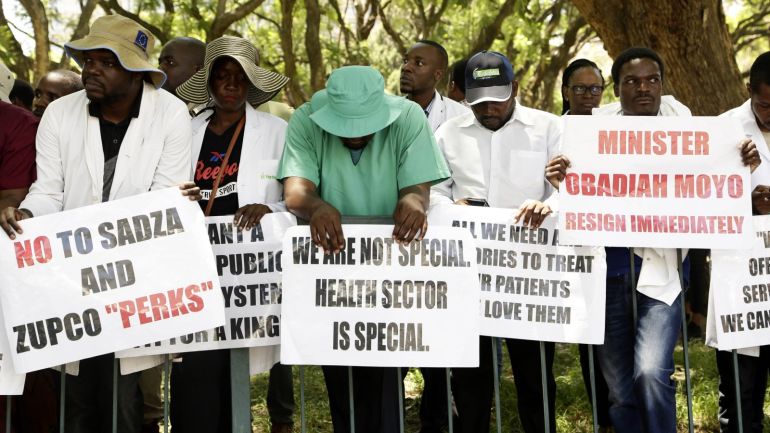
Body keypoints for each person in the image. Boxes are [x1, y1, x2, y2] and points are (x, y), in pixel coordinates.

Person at [0, 15, 196, 433]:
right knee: (76, 397)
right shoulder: (59, 114)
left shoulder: (172, 115)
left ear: (135, 71)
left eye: (106, 61)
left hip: (136, 274)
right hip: (69, 273)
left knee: (124, 400)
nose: (91, 69)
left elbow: (165, 196)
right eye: (88, 60)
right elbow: (49, 190)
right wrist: (28, 216)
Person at [547, 47, 759, 433]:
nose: (643, 88)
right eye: (631, 81)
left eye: (651, 80)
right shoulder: (591, 131)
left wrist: (740, 161)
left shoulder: (689, 128)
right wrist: (559, 179)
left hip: (662, 273)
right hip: (607, 273)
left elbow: (713, 182)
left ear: (662, 83)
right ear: (617, 88)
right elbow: (568, 194)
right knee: (619, 388)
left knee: (649, 371)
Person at [277, 65, 449, 433]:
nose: (354, 135)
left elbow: (417, 189)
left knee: (387, 371)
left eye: (364, 126)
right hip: (332, 263)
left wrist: (414, 202)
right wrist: (316, 206)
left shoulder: (408, 119)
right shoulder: (307, 118)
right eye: (344, 127)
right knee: (339, 370)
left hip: (393, 263)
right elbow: (297, 190)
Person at [430, 50, 560, 433]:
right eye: (478, 100)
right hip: (472, 274)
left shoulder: (549, 128)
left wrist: (548, 205)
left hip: (531, 276)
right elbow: (432, 194)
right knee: (471, 381)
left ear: (515, 88)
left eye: (497, 98)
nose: (488, 108)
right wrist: (453, 205)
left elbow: (572, 190)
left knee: (534, 378)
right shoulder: (447, 134)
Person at [171, 35, 291, 433]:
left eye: (240, 77)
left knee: (235, 366)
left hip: (247, 269)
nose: (230, 84)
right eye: (222, 76)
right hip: (194, 264)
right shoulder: (184, 130)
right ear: (210, 83)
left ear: (251, 84)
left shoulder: (276, 130)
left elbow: (294, 199)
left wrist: (268, 209)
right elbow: (158, 186)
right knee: (194, 368)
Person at [399, 39, 470, 433]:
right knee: (397, 334)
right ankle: (391, 414)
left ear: (439, 74)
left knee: (440, 337)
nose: (408, 67)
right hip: (398, 238)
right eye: (407, 61)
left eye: (419, 62)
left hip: (444, 245)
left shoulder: (460, 117)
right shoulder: (385, 114)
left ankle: (438, 418)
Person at [709, 51, 770, 433]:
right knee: (741, 382)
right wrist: (748, 202)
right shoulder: (725, 128)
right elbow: (704, 200)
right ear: (749, 91)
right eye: (765, 104)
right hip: (743, 274)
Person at [559, 58, 613, 432]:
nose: (589, 96)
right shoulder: (553, 130)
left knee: (616, 336)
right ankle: (603, 419)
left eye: (596, 89)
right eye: (580, 89)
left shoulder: (617, 127)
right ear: (565, 91)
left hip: (616, 247)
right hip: (571, 250)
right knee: (590, 338)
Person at [400, 40, 470, 132]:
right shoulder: (386, 112)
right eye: (405, 61)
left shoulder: (462, 117)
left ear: (438, 75)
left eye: (419, 63)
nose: (406, 68)